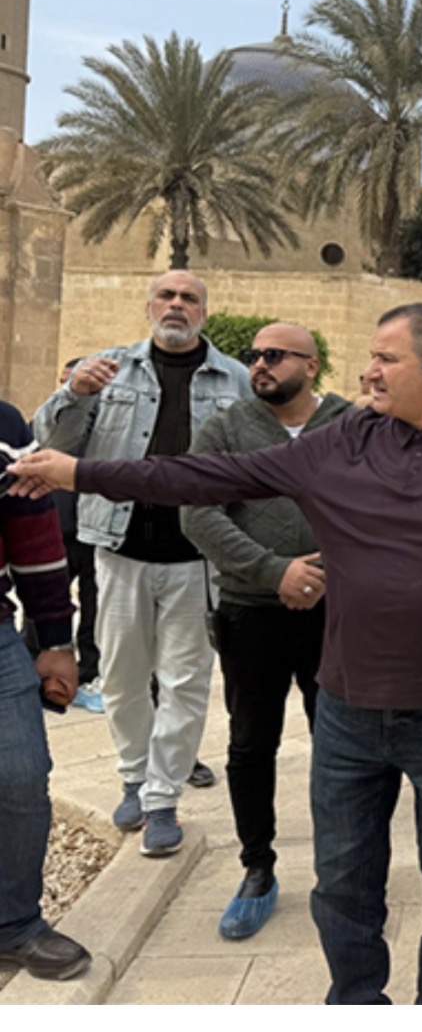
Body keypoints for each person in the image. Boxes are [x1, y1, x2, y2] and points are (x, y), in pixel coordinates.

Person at [12, 302, 422, 1005]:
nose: (368, 371)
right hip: (350, 712)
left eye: (386, 358)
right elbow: (207, 477)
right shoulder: (342, 442)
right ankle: (356, 1002)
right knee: (343, 883)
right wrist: (80, 472)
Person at [32, 271, 250, 856]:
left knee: (185, 682)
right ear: (149, 305)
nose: (177, 305)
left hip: (196, 557)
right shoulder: (107, 370)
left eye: (189, 298)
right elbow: (50, 441)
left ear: (204, 311)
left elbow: (259, 460)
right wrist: (75, 392)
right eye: (166, 296)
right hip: (119, 548)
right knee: (122, 677)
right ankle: (133, 776)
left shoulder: (235, 379)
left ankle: (161, 800)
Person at [180, 324, 350, 940]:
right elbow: (196, 511)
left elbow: (385, 506)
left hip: (338, 614)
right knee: (251, 745)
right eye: (253, 355)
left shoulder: (351, 425)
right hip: (251, 612)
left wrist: (326, 571)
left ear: (312, 364)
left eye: (274, 355)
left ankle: (346, 869)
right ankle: (258, 867)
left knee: (344, 746)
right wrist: (274, 570)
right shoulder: (227, 429)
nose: (259, 364)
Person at [0, 399, 92, 982]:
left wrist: (56, 640)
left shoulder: (4, 426)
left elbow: (33, 535)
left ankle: (13, 925)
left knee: (21, 774)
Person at [22, 358, 104, 714]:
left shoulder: (102, 432)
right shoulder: (46, 426)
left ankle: (87, 675)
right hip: (55, 532)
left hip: (94, 535)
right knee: (42, 606)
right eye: (66, 382)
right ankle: (30, 668)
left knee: (94, 610)